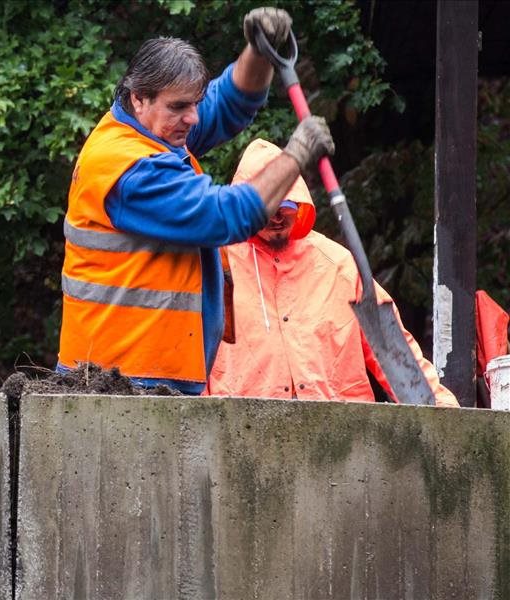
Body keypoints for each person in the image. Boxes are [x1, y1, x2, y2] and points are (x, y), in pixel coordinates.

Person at [58, 7, 336, 394]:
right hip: (118, 385)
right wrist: (295, 157)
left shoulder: (155, 128)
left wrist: (258, 52)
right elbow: (225, 216)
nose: (192, 118)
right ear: (139, 98)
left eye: (194, 103)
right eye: (180, 107)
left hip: (144, 377)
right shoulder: (129, 169)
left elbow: (228, 102)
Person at [206, 138, 458, 406]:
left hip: (340, 436)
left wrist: (441, 413)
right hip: (240, 433)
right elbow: (188, 352)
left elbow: (393, 350)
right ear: (248, 206)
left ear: (300, 202)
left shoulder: (338, 265)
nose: (277, 217)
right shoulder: (217, 264)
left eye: (287, 206)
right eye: (267, 208)